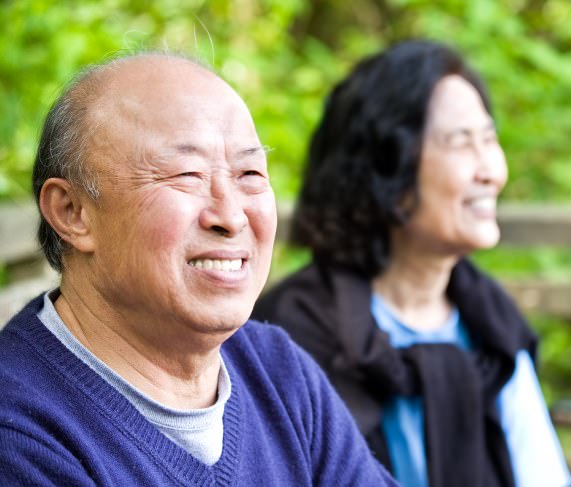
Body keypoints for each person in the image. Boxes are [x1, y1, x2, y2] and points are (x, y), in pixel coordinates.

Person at [0, 52, 397, 486]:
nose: (231, 215)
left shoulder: (275, 370)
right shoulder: (22, 434)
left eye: (249, 173)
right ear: (73, 212)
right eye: (186, 174)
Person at [253, 40, 571, 487]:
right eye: (462, 143)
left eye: (489, 138)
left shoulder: (491, 322)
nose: (492, 170)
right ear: (387, 167)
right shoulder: (292, 331)